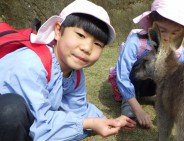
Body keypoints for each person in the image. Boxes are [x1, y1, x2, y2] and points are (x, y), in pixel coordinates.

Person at [0, 0, 136, 141]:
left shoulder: (74, 74)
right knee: (11, 111)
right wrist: (88, 123)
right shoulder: (31, 64)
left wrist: (108, 120)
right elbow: (39, 123)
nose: (87, 48)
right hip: (9, 119)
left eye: (97, 44)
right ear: (58, 31)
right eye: (80, 35)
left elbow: (77, 109)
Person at [115, 0, 184, 128]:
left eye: (174, 33)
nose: (167, 37)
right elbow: (122, 75)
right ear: (151, 23)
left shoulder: (177, 50)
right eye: (162, 30)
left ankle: (162, 100)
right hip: (135, 81)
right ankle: (129, 101)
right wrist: (138, 109)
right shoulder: (136, 42)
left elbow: (180, 78)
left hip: (156, 88)